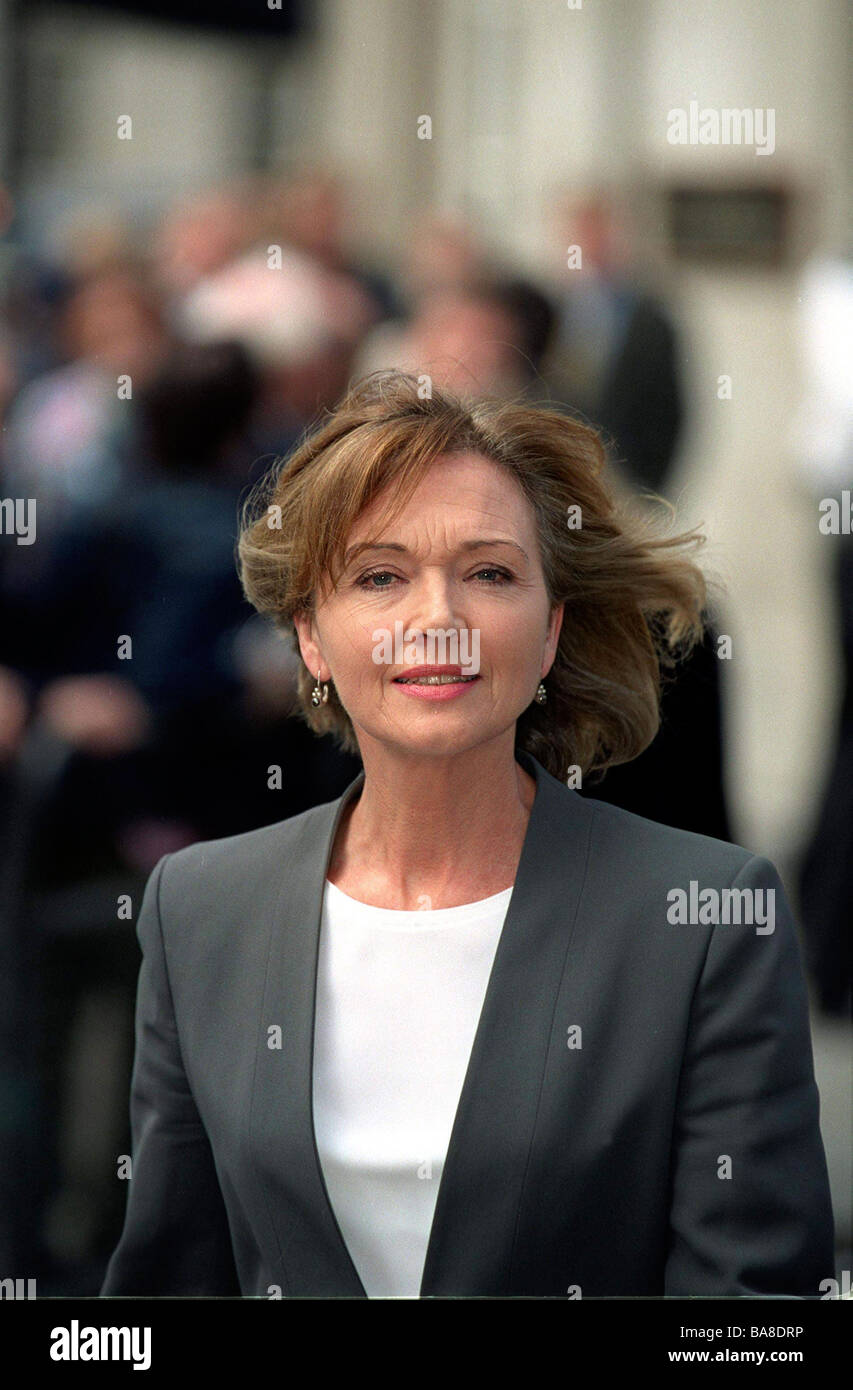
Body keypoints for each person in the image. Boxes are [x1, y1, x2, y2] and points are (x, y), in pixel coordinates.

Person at [100, 370, 834, 1298]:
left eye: (489, 573)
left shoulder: (704, 918)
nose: (437, 620)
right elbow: (166, 1294)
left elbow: (751, 1327)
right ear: (312, 638)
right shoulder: (199, 908)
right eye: (379, 576)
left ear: (550, 632)